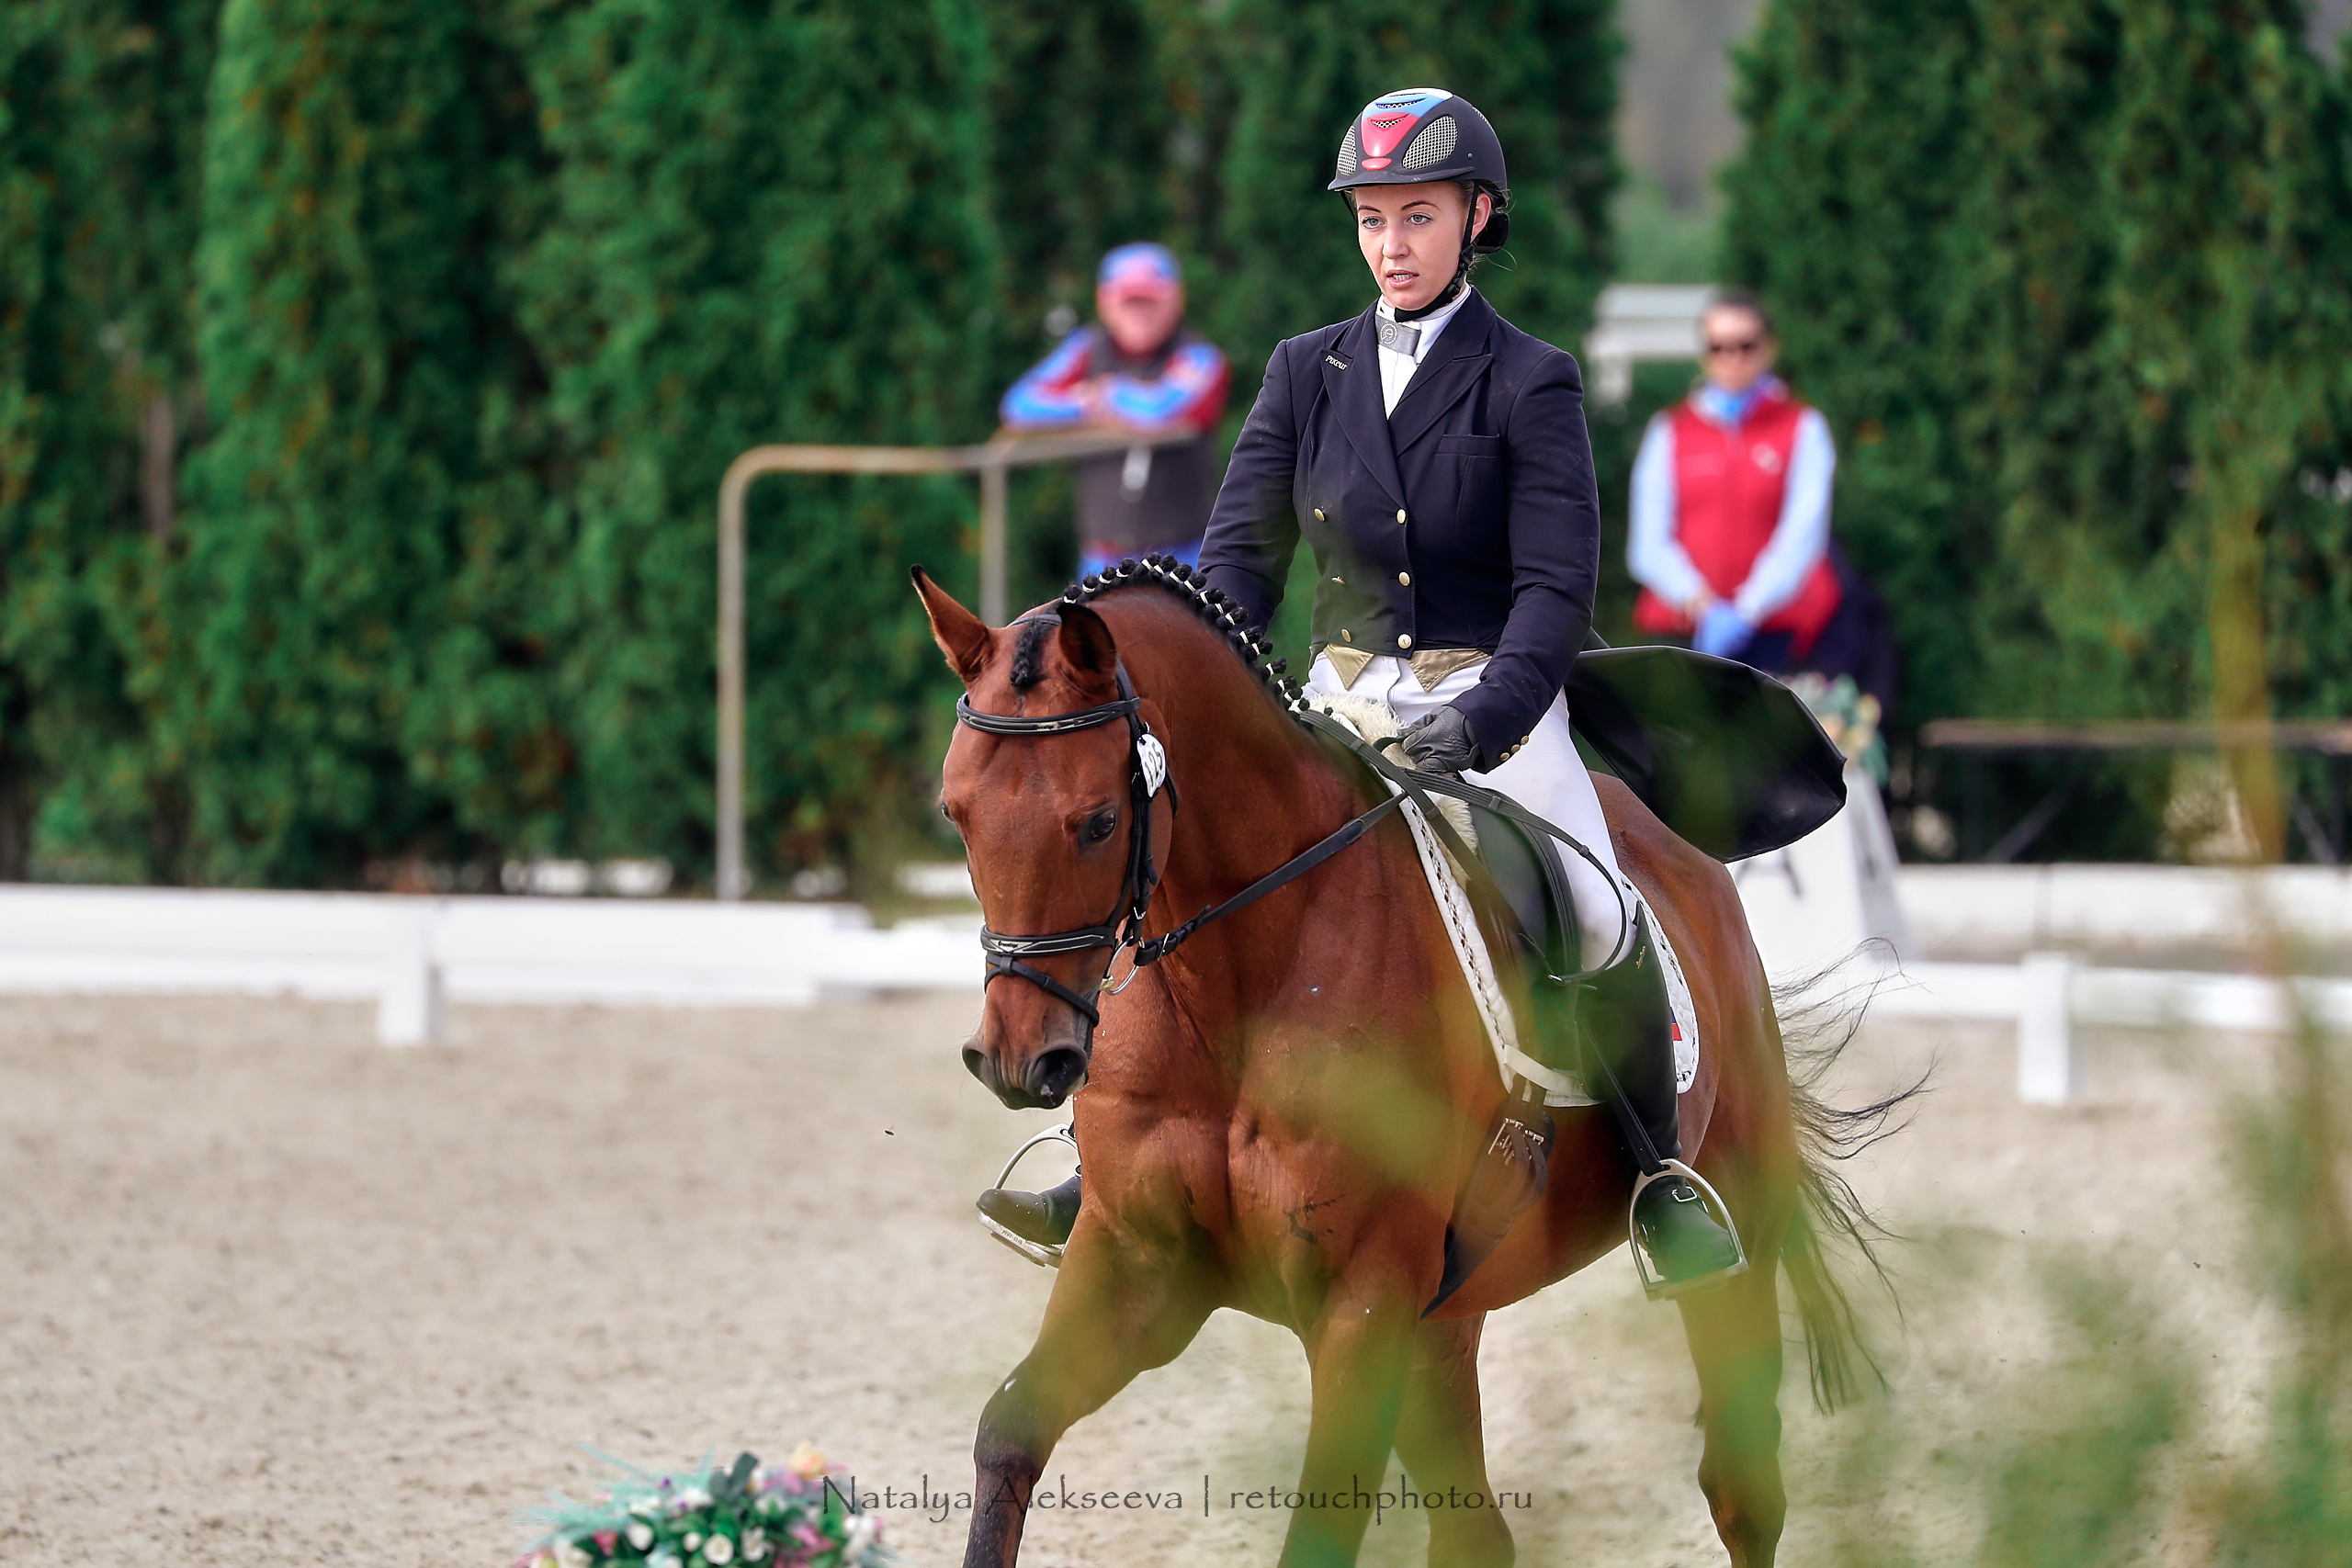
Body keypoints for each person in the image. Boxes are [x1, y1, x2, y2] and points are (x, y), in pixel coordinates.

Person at [978, 88, 1743, 1296]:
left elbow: (1553, 590)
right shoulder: (1304, 370)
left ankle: (1658, 1175)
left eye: (1419, 216)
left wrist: (1485, 717)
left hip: (1489, 698)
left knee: (1596, 908)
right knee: (1180, 875)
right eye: (1374, 219)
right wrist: (1217, 692)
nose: (1392, 243)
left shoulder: (1531, 381)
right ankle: (1100, 1155)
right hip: (1334, 698)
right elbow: (1233, 567)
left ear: (1477, 218)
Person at [1628, 293, 1843, 667]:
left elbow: (1803, 534)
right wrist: (1701, 603)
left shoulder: (1804, 428)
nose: (1733, 358)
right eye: (1719, 347)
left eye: (1746, 345)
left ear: (1769, 348)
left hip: (1774, 634)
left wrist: (1747, 609)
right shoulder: (1670, 431)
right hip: (1681, 632)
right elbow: (1648, 542)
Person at [999, 243, 1231, 579]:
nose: (1139, 312)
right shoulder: (1086, 347)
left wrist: (1107, 395)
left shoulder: (1200, 356)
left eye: (1150, 300)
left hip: (1187, 555)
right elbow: (1019, 406)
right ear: (1104, 302)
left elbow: (1159, 411)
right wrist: (1083, 405)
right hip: (1102, 559)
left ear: (1176, 299)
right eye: (1128, 301)